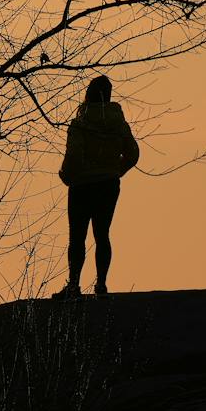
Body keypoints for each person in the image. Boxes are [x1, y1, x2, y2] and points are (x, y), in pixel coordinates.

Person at [58, 75, 140, 297]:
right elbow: (133, 153)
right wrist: (116, 170)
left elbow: (73, 155)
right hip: (108, 185)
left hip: (81, 186)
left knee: (77, 237)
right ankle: (101, 284)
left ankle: (73, 284)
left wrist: (66, 175)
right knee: (102, 235)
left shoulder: (80, 122)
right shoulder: (119, 123)